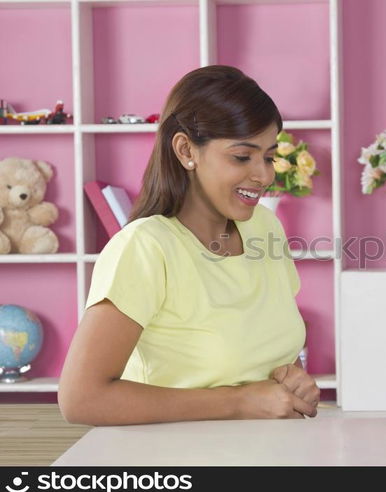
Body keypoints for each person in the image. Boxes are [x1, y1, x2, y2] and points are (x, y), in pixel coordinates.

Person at [59, 66, 320, 425]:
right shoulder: (146, 248)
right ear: (185, 150)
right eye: (242, 157)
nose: (264, 175)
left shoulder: (265, 228)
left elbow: (269, 351)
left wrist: (294, 382)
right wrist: (238, 402)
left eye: (269, 156)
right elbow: (81, 399)